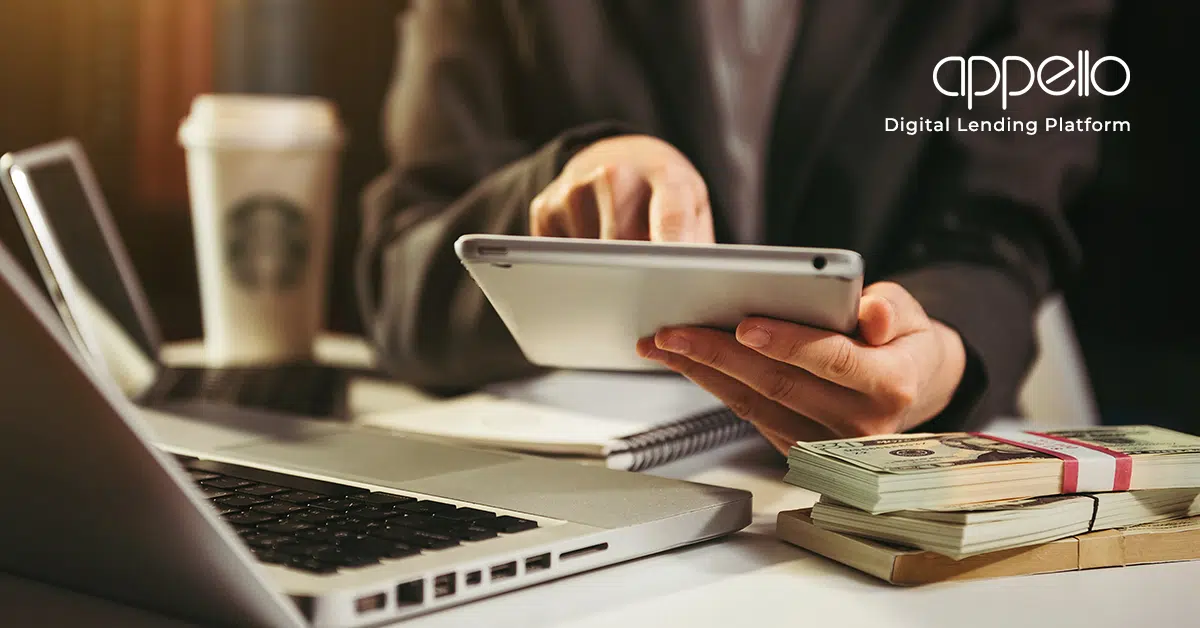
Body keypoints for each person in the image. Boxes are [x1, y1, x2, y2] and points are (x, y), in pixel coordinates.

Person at [357, 0, 1114, 452]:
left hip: (856, 504)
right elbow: (403, 277)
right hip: (584, 476)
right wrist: (569, 172)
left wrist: (933, 362)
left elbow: (998, 235)